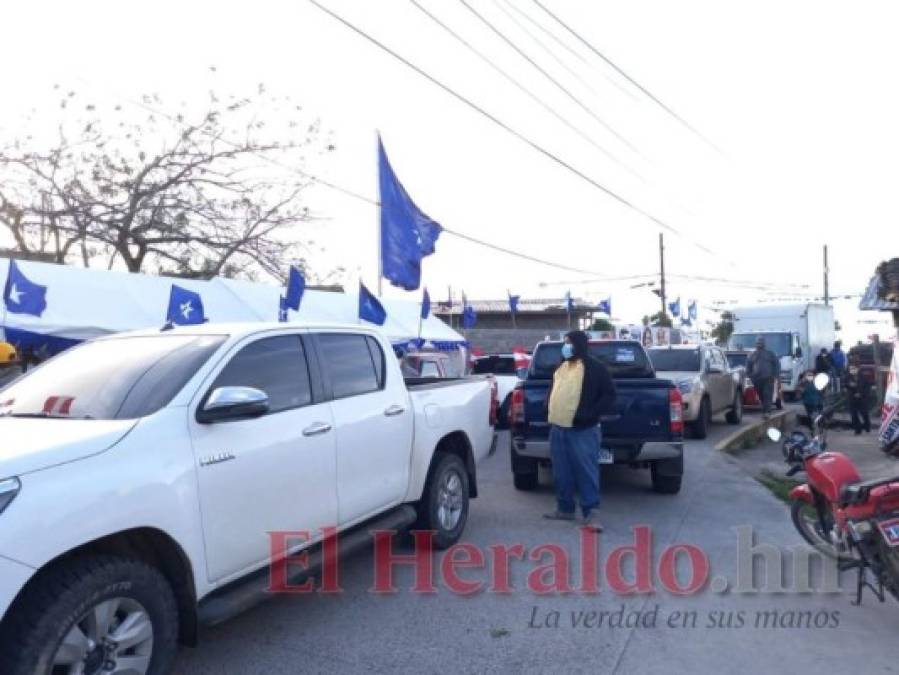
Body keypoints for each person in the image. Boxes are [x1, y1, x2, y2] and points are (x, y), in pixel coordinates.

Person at [543, 330, 616, 531]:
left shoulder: (595, 368)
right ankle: (565, 509)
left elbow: (609, 395)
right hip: (558, 428)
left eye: (569, 343)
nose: (565, 346)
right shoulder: (562, 366)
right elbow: (555, 388)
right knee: (561, 472)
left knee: (586, 472)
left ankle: (591, 514)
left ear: (579, 345)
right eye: (564, 342)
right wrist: (547, 403)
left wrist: (591, 414)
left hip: (583, 430)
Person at [746, 337, 780, 417]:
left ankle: (767, 412)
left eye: (761, 343)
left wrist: (775, 375)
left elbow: (776, 365)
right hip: (757, 380)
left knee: (767, 395)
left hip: (768, 379)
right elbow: (748, 366)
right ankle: (765, 410)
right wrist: (750, 376)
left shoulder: (770, 354)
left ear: (764, 344)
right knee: (761, 396)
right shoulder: (752, 355)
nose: (759, 345)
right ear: (756, 344)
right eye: (758, 343)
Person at [844, 355, 873, 435]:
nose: (852, 370)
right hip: (852, 397)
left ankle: (867, 426)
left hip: (862, 397)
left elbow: (867, 386)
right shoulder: (848, 374)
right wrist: (849, 385)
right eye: (851, 368)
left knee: (864, 413)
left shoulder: (863, 375)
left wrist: (861, 393)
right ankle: (858, 429)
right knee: (853, 414)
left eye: (854, 368)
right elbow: (845, 383)